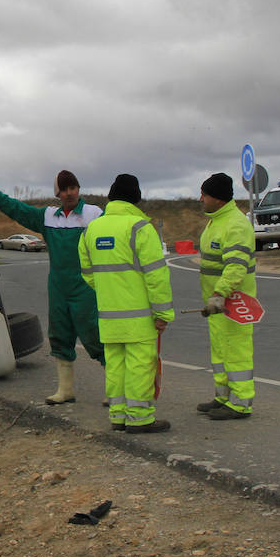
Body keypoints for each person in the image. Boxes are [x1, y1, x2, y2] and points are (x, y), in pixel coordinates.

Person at [0, 169, 103, 404]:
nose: (69, 192)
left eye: (73, 187)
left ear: (78, 189)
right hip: (59, 287)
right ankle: (66, 390)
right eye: (64, 189)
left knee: (96, 335)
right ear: (58, 193)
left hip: (87, 286)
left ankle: (116, 391)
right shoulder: (48, 217)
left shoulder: (95, 214)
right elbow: (18, 209)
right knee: (60, 335)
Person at [78, 174, 173, 432]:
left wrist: (112, 292)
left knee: (116, 366)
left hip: (109, 316)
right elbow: (156, 276)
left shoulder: (91, 229)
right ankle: (140, 418)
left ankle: (118, 416)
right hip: (139, 318)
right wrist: (162, 312)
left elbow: (88, 274)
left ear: (111, 197)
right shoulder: (140, 228)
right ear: (136, 199)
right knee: (140, 366)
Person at [197, 172, 257, 420]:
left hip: (233, 302)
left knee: (236, 351)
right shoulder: (216, 220)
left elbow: (236, 266)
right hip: (216, 304)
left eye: (205, 195)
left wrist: (220, 293)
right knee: (220, 351)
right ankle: (223, 397)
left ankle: (241, 402)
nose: (200, 199)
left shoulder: (235, 224)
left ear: (218, 199)